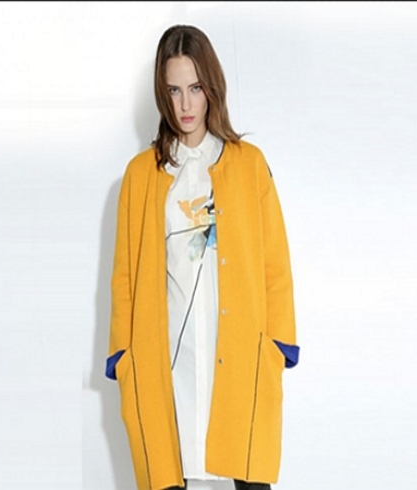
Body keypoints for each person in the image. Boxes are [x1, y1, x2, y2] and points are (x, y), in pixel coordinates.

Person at [105, 24, 299, 490]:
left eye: (195, 88)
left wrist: (279, 344)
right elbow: (125, 275)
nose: (185, 105)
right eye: (174, 90)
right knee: (168, 469)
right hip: (168, 359)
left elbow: (275, 263)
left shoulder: (249, 165)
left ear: (211, 87)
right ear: (162, 93)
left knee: (248, 473)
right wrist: (122, 355)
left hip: (237, 355)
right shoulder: (140, 175)